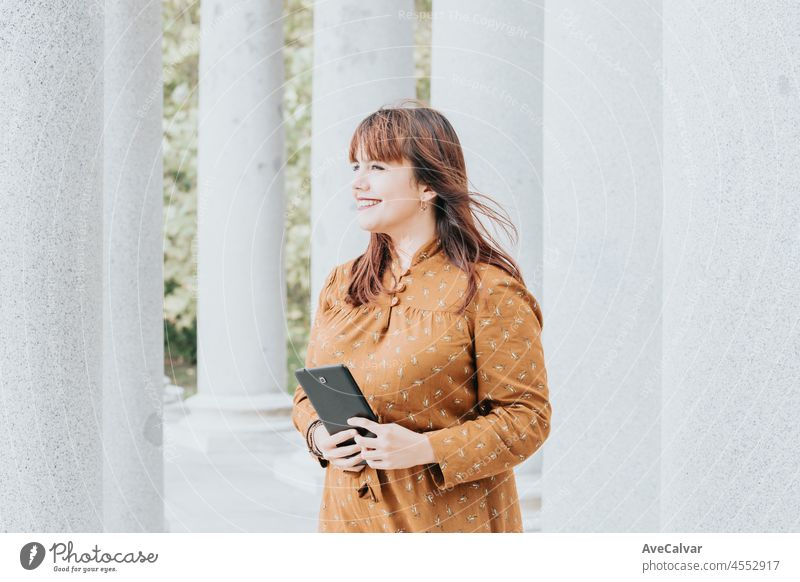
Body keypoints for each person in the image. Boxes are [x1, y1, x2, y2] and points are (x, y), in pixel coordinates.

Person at [291, 99, 552, 533]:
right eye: (354, 167)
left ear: (428, 185)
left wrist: (426, 448)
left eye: (377, 167)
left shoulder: (488, 290)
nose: (358, 183)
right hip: (346, 525)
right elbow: (307, 397)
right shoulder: (342, 284)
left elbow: (528, 418)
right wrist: (320, 436)